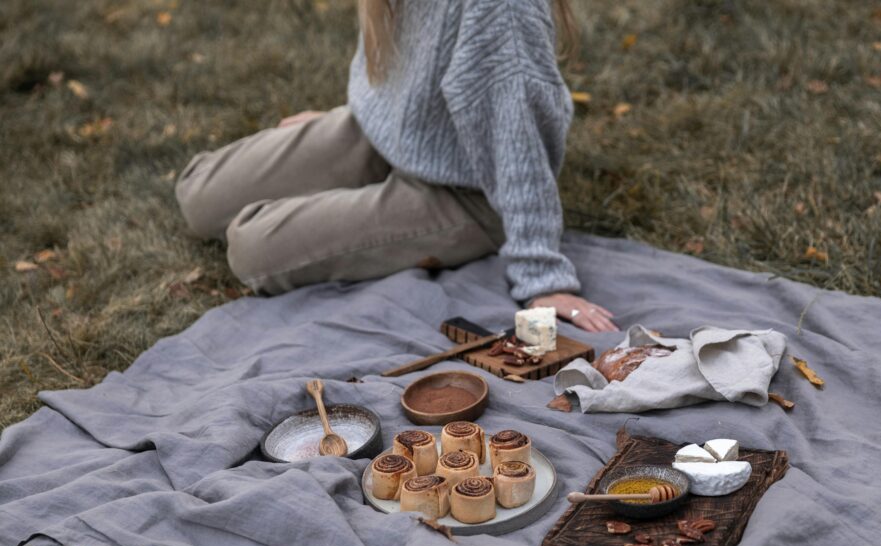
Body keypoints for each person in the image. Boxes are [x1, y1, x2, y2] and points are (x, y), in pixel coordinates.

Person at [174, 0, 618, 333]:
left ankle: (336, 213)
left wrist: (542, 276)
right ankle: (340, 199)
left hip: (469, 193)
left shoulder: (500, 8)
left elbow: (517, 134)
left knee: (251, 248)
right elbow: (409, 57)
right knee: (199, 195)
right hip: (390, 138)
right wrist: (361, 114)